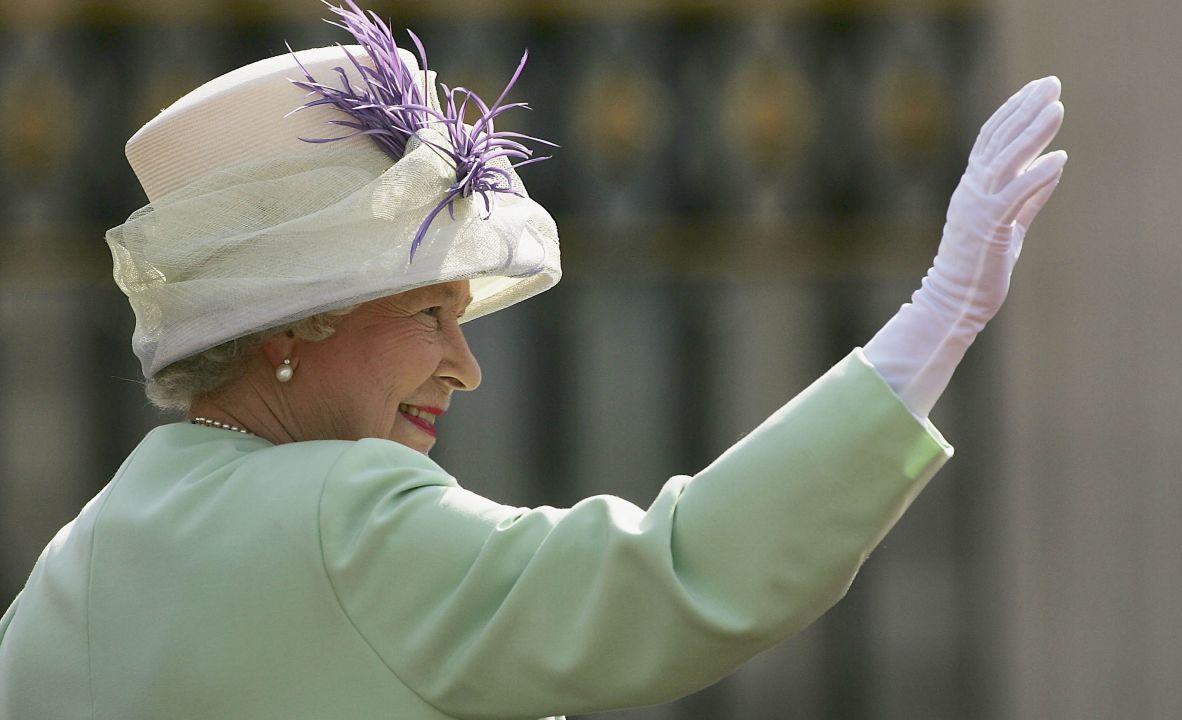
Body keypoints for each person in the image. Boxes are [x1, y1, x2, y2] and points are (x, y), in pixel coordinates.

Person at [0, 2, 1066, 718]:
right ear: (292, 329)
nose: (464, 367)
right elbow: (667, 578)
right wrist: (934, 324)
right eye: (428, 315)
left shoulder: (76, 566)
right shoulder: (337, 512)